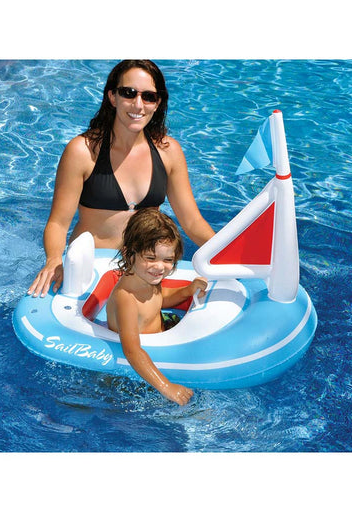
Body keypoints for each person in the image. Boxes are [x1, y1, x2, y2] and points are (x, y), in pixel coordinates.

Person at [28, 59, 215, 298]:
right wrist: (54, 260)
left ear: (157, 103)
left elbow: (192, 222)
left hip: (146, 269)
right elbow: (58, 223)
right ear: (113, 97)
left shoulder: (168, 152)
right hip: (92, 270)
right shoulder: (83, 151)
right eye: (129, 93)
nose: (138, 104)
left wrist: (227, 255)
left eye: (149, 97)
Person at [106, 209, 207, 406]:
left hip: (163, 333)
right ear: (129, 254)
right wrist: (166, 386)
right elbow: (132, 351)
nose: (160, 267)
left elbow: (158, 300)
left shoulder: (148, 279)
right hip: (139, 365)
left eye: (168, 260)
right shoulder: (126, 298)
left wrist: (187, 291)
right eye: (151, 258)